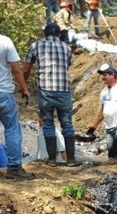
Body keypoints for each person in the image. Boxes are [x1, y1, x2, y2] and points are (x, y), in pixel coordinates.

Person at [24, 23, 79, 167]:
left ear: (44, 34)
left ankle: (52, 159)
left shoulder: (36, 46)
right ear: (60, 34)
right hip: (64, 90)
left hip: (46, 90)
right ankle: (71, 160)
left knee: (48, 122)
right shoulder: (66, 48)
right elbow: (66, 65)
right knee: (67, 123)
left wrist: (23, 86)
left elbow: (27, 68)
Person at [0, 34, 35, 180]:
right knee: (12, 129)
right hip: (3, 93)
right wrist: (25, 89)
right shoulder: (5, 41)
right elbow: (15, 70)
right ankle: (14, 168)